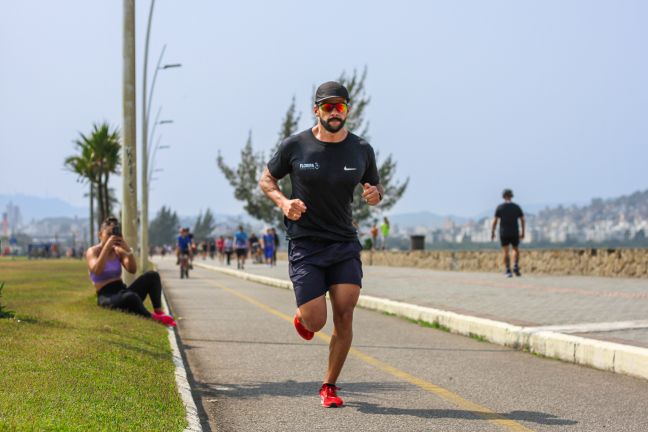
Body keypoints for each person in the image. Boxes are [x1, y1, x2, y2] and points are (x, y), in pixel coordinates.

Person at [259, 81, 383, 408]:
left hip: (343, 242)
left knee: (345, 311)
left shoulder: (361, 150)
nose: (333, 113)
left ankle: (329, 385)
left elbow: (375, 187)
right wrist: (284, 203)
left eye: (339, 107)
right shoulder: (296, 146)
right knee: (316, 321)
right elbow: (266, 180)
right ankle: (304, 317)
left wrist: (375, 195)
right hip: (306, 244)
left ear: (347, 110)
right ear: (316, 110)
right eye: (327, 107)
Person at [86, 217, 175, 326]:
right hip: (106, 295)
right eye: (109, 234)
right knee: (130, 297)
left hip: (121, 290)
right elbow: (97, 270)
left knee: (152, 276)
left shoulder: (117, 251)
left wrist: (128, 250)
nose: (112, 237)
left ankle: (159, 312)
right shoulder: (93, 251)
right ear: (100, 235)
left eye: (115, 234)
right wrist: (106, 247)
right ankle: (152, 318)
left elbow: (132, 269)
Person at [491, 189, 525, 277]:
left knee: (505, 251)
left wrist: (493, 232)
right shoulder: (516, 207)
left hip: (504, 232)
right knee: (515, 249)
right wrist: (523, 232)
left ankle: (508, 270)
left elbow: (495, 221)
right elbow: (522, 220)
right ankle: (516, 266)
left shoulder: (500, 207)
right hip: (514, 231)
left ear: (503, 197)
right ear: (511, 196)